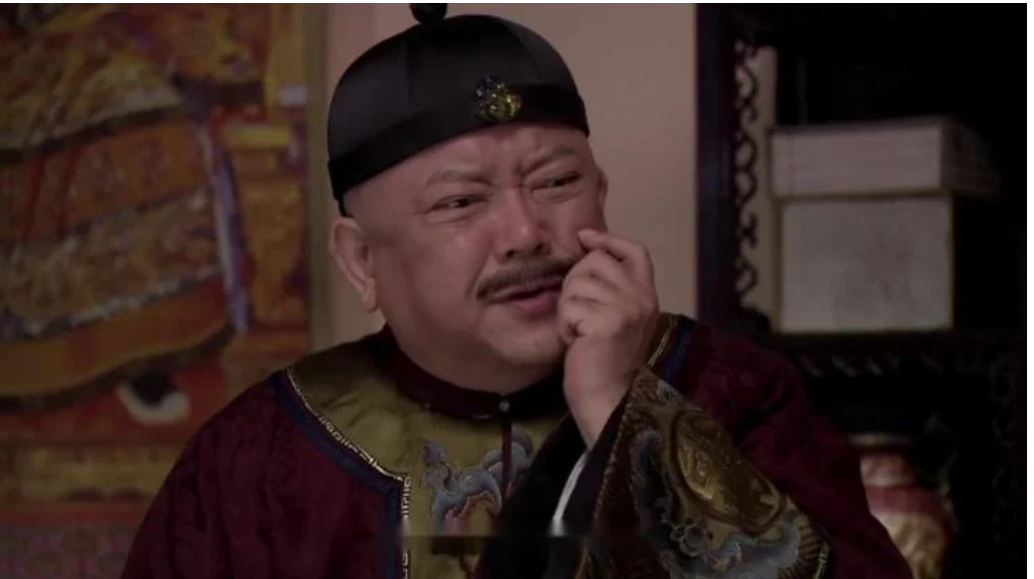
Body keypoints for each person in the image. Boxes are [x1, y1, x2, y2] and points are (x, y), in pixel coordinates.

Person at [122, 7, 911, 579]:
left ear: (602, 193)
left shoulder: (736, 391)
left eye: (557, 182)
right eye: (461, 201)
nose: (527, 232)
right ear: (361, 260)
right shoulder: (259, 457)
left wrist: (624, 410)